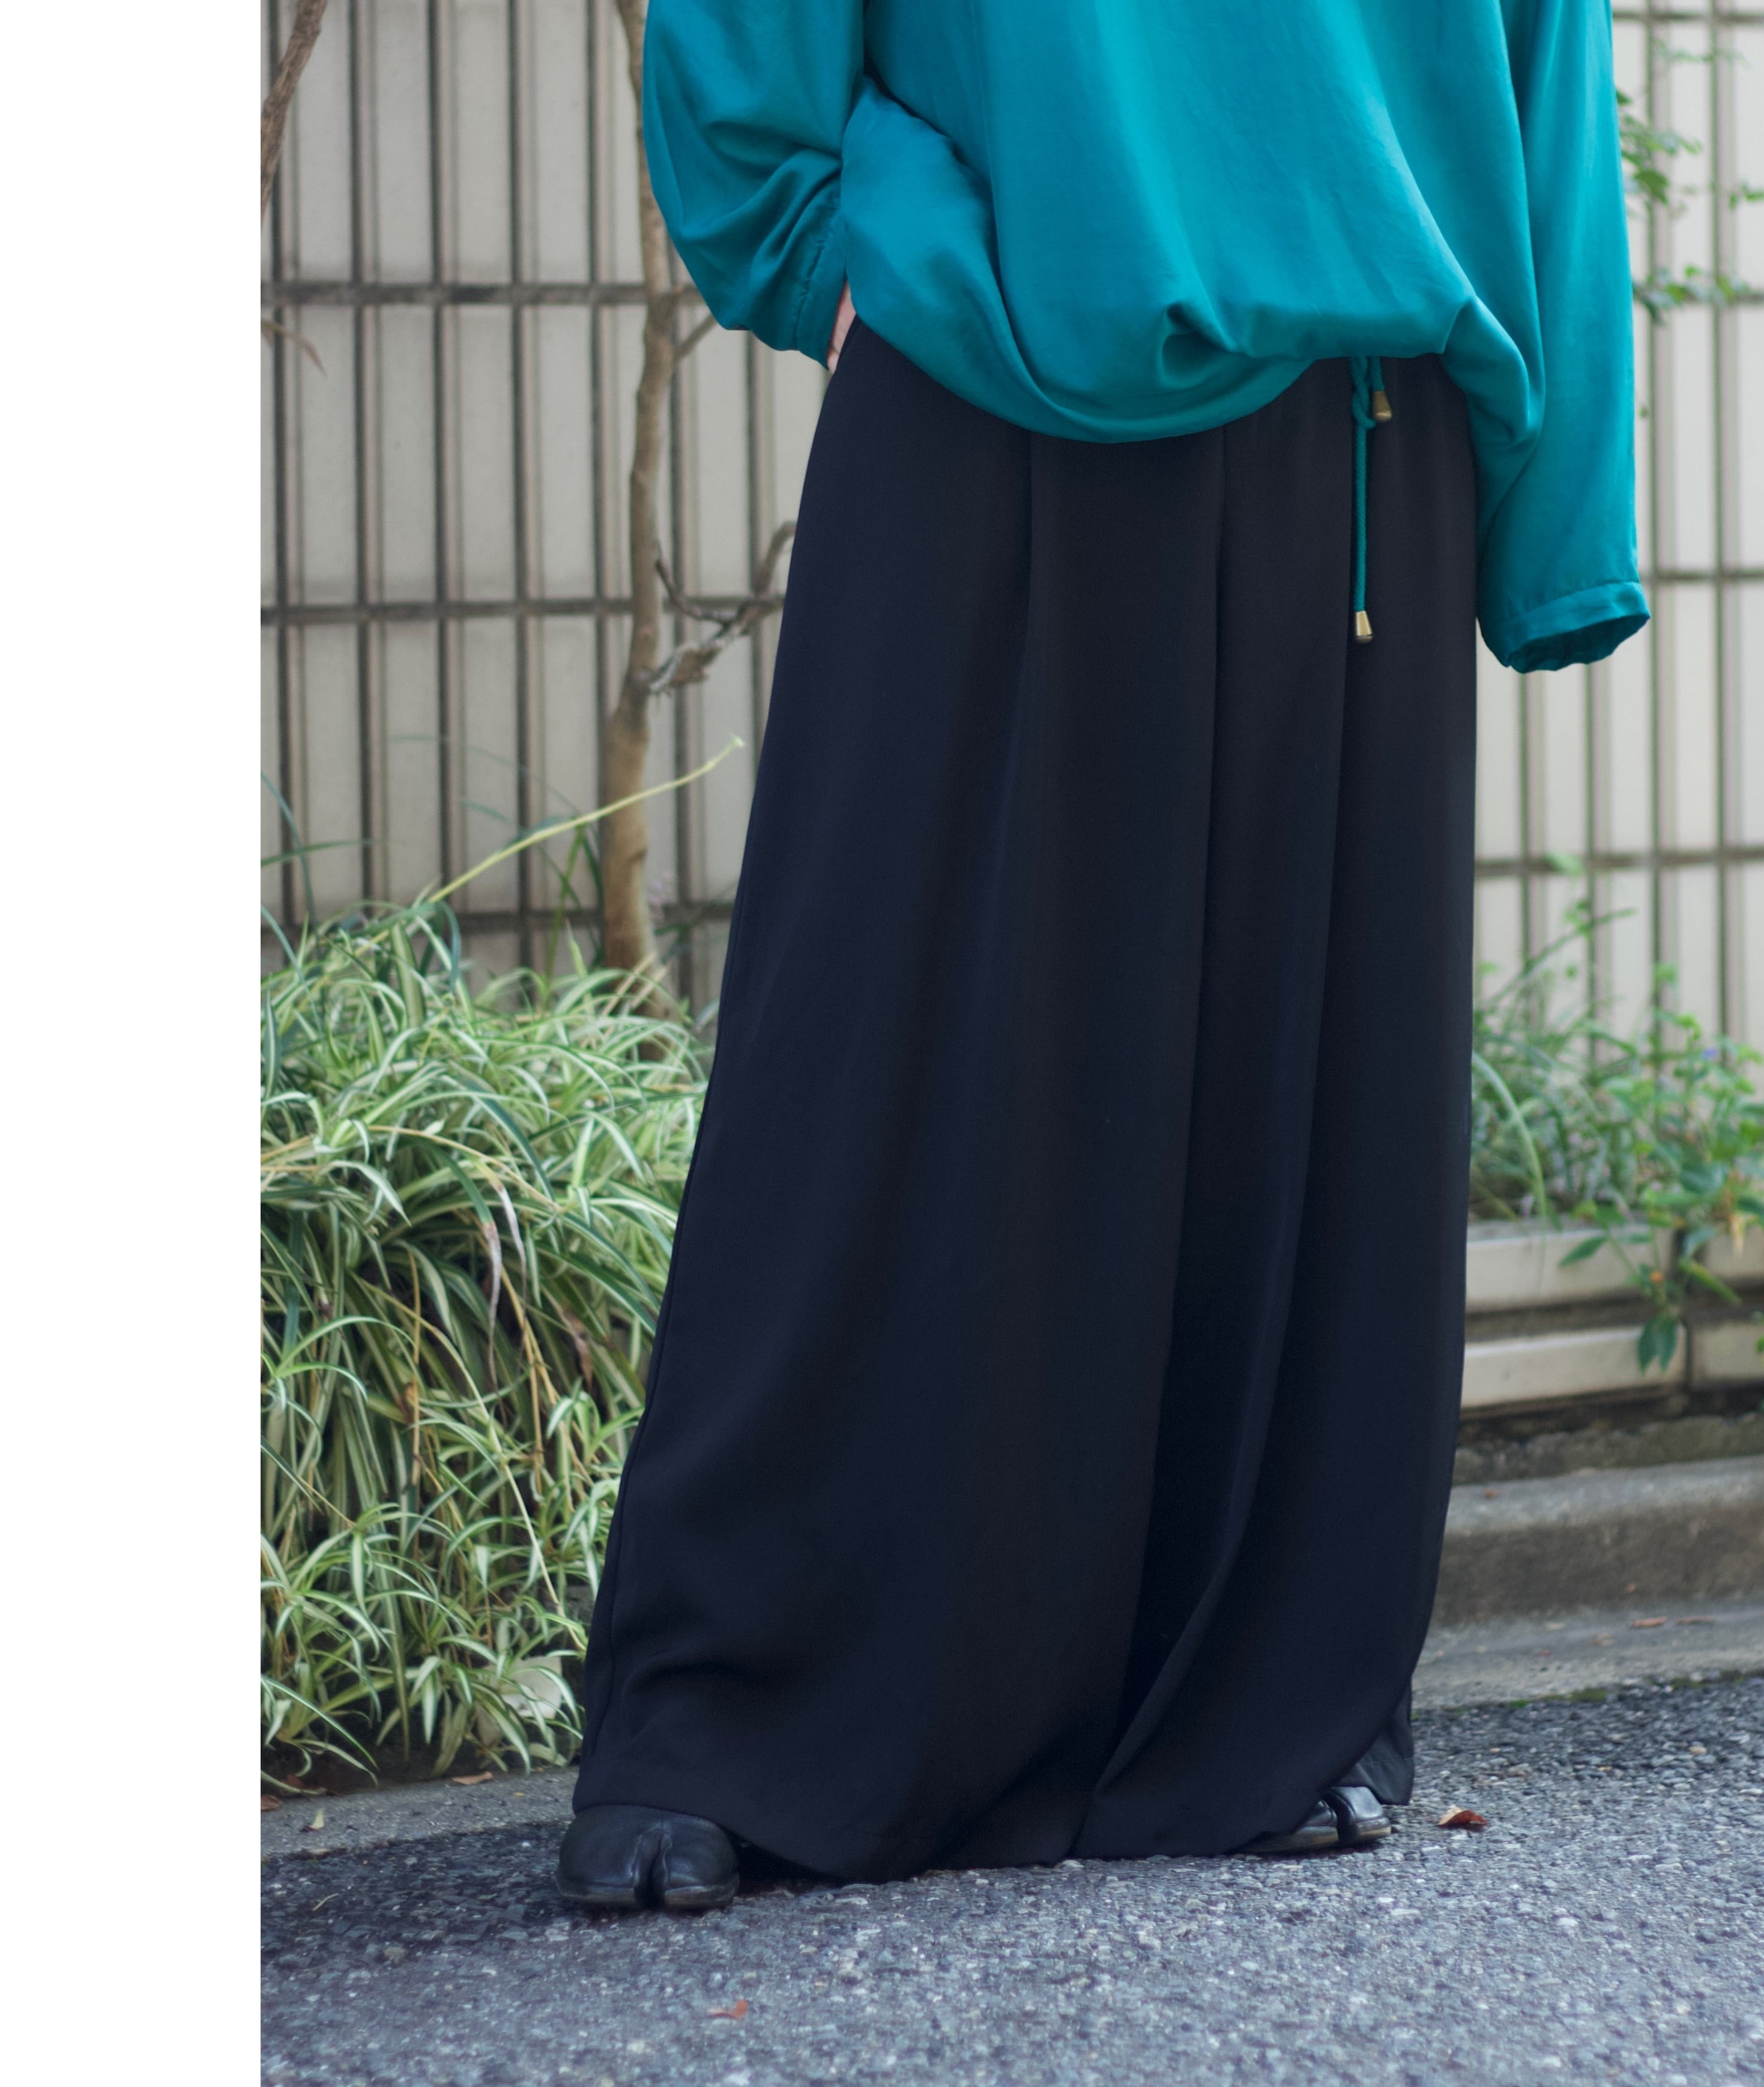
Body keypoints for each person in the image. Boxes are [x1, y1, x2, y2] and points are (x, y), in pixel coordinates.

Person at [557, 0, 1645, 1910]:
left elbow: (1539, 53)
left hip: (1360, 421)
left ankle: (1260, 1701)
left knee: (1288, 1090)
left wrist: (1561, 510)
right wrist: (819, 244)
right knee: (882, 1071)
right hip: (985, 346)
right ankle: (735, 1708)